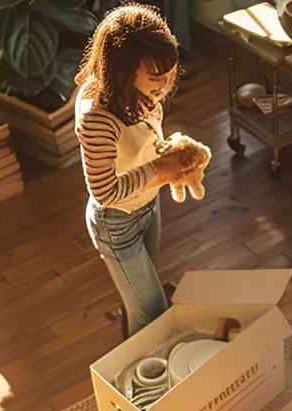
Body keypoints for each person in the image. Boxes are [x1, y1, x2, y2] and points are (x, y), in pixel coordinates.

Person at [76, 4, 199, 335]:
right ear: (123, 70)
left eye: (170, 72)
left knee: (141, 302)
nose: (166, 84)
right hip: (116, 223)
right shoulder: (97, 118)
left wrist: (168, 152)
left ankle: (137, 346)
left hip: (147, 204)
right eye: (156, 77)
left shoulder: (136, 91)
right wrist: (159, 168)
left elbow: (140, 142)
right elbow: (104, 191)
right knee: (153, 313)